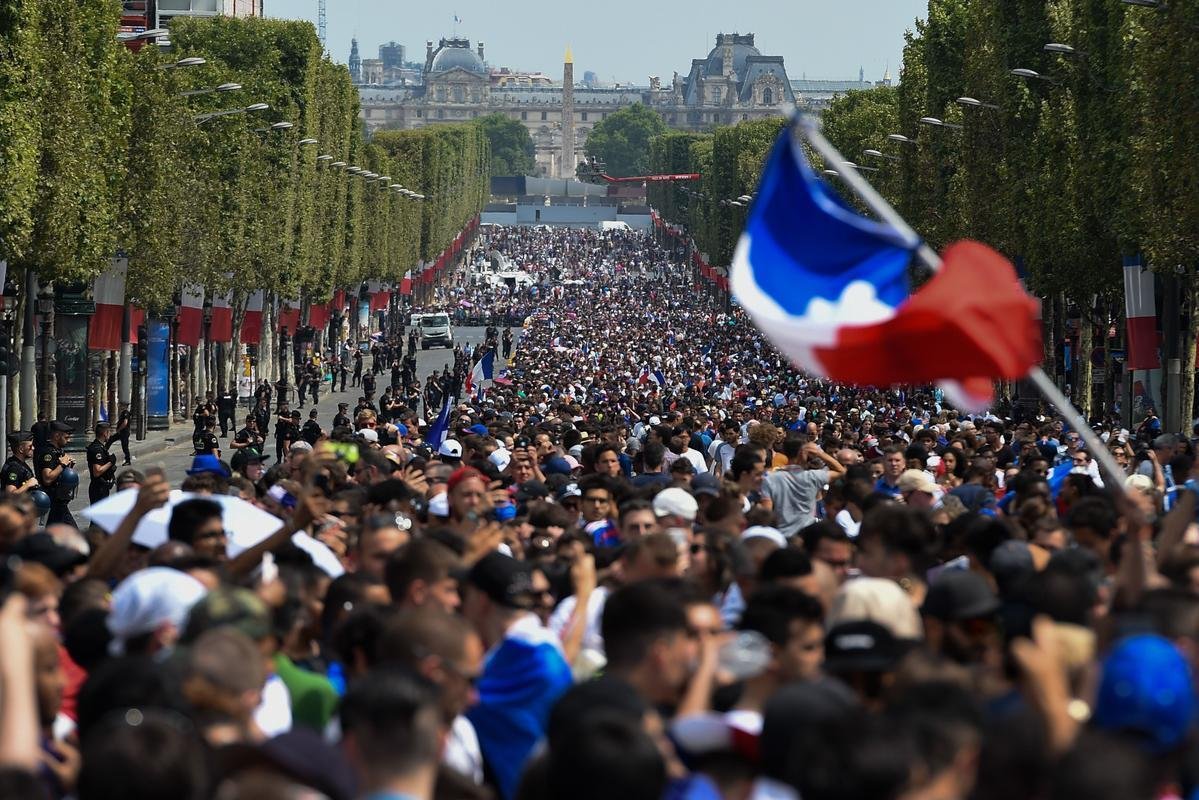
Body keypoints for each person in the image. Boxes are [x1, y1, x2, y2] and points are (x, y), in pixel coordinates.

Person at [463, 553, 572, 799]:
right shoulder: (537, 646)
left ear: (481, 601)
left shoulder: (528, 658)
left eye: (465, 595)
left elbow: (467, 703)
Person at [761, 436, 847, 538]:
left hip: (782, 535)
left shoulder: (770, 478)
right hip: (807, 537)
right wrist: (820, 453)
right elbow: (841, 471)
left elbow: (766, 513)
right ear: (803, 453)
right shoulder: (813, 477)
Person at [36, 421, 77, 527]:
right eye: (66, 437)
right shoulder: (48, 453)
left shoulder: (58, 451)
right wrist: (62, 465)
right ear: (57, 436)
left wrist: (68, 466)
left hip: (60, 501)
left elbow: (60, 475)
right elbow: (47, 478)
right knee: (72, 534)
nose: (68, 441)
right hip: (53, 501)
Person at [85, 423, 117, 504]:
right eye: (109, 432)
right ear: (105, 433)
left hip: (102, 487)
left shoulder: (100, 447)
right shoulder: (97, 450)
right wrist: (110, 462)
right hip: (98, 488)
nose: (110, 435)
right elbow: (97, 471)